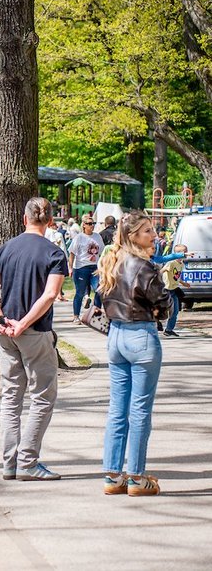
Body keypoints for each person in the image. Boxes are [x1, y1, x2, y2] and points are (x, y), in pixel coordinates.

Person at [0, 197, 67, 482]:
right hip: (35, 332)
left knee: (11, 397)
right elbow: (50, 294)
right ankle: (28, 462)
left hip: (6, 332)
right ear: (50, 221)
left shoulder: (6, 249)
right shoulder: (54, 253)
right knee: (43, 396)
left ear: (24, 218)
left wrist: (0, 319)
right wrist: (24, 323)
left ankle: (9, 462)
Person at [98, 211, 171, 496]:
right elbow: (164, 303)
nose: (153, 235)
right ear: (133, 236)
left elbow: (104, 297)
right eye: (147, 231)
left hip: (115, 336)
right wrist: (158, 310)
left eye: (152, 230)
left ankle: (113, 475)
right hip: (140, 335)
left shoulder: (111, 261)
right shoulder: (145, 267)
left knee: (118, 408)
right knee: (139, 409)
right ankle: (137, 478)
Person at [68, 215, 104, 324]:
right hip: (81, 268)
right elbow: (72, 254)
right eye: (89, 223)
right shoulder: (79, 237)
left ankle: (96, 315)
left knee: (99, 290)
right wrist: (70, 268)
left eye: (92, 223)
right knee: (79, 293)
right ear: (84, 225)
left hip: (95, 268)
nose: (91, 226)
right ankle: (76, 316)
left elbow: (102, 253)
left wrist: (103, 267)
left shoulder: (97, 237)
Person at [161, 244, 191, 337]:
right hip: (166, 290)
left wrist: (183, 283)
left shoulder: (181, 264)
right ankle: (154, 323)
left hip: (174, 289)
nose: (186, 253)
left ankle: (169, 329)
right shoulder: (171, 263)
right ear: (177, 253)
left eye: (186, 251)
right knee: (164, 310)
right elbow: (160, 271)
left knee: (175, 311)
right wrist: (162, 270)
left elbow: (176, 276)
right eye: (184, 252)